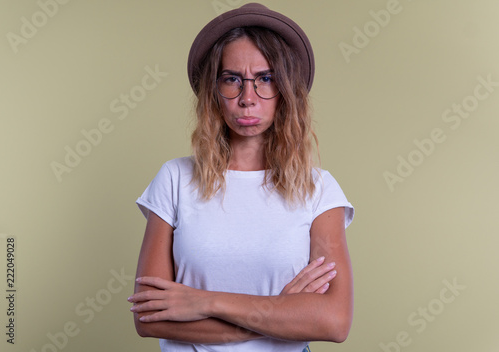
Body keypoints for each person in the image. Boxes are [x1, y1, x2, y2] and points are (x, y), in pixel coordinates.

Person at [127, 3, 354, 352]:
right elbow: (149, 317)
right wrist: (275, 314)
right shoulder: (174, 179)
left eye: (266, 79)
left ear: (286, 93)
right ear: (214, 92)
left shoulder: (319, 189)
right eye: (232, 79)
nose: (248, 98)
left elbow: (334, 321)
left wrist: (205, 302)